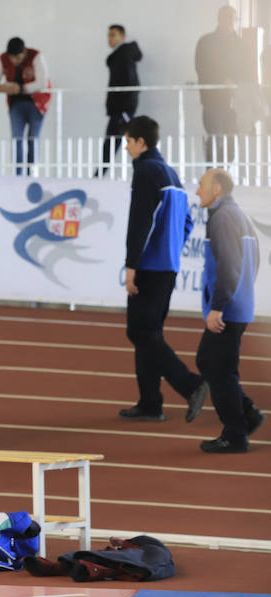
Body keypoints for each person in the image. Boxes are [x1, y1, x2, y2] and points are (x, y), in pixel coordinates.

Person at [118, 117, 207, 423]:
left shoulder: (145, 171)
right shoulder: (170, 173)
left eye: (128, 141)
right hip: (167, 265)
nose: (126, 147)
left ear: (142, 142)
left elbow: (140, 220)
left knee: (139, 331)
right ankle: (150, 402)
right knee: (149, 332)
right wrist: (171, 249)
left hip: (149, 265)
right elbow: (187, 222)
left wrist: (132, 265)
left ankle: (191, 385)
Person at [192, 169, 263, 453]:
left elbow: (229, 267)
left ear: (217, 189)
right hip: (239, 304)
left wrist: (218, 306)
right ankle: (247, 415)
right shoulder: (239, 215)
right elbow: (252, 261)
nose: (197, 191)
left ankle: (235, 433)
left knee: (216, 368)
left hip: (229, 309)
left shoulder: (221, 218)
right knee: (213, 364)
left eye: (201, 185)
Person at [0, 37, 50, 175]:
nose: (15, 61)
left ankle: (32, 172)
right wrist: (3, 88)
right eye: (12, 58)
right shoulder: (3, 59)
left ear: (24, 52)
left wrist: (21, 88)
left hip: (37, 104)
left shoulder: (36, 56)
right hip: (16, 105)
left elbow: (42, 83)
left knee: (33, 138)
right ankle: (18, 173)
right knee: (17, 139)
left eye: (18, 57)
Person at [195, 5, 249, 164]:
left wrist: (236, 82)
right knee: (214, 136)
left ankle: (225, 174)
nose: (229, 21)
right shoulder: (206, 41)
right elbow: (201, 66)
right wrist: (223, 79)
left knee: (232, 139)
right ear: (219, 19)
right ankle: (212, 173)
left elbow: (247, 69)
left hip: (236, 100)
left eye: (232, 18)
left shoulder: (241, 44)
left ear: (236, 20)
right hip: (212, 99)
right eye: (226, 17)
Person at [98, 24, 141, 176]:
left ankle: (99, 176)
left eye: (113, 35)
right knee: (120, 142)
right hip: (121, 108)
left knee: (120, 143)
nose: (110, 38)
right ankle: (99, 174)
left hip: (122, 109)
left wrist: (125, 108)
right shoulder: (121, 55)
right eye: (109, 35)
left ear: (122, 37)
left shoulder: (123, 54)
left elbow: (129, 81)